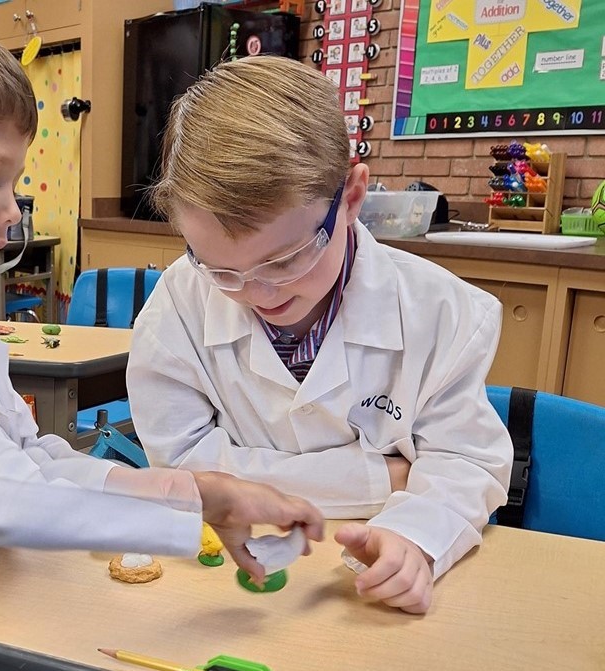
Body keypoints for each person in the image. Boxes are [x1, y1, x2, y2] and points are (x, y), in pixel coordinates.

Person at [0, 12, 325, 671]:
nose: (12, 208)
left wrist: (193, 494)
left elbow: (31, 459)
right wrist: (186, 514)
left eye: (13, 183)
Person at [127, 56, 512, 615]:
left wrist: (418, 535)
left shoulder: (442, 312)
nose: (259, 293)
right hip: (223, 585)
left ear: (352, 197)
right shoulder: (178, 304)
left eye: (285, 260)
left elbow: (467, 464)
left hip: (360, 587)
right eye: (221, 270)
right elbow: (183, 465)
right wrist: (382, 476)